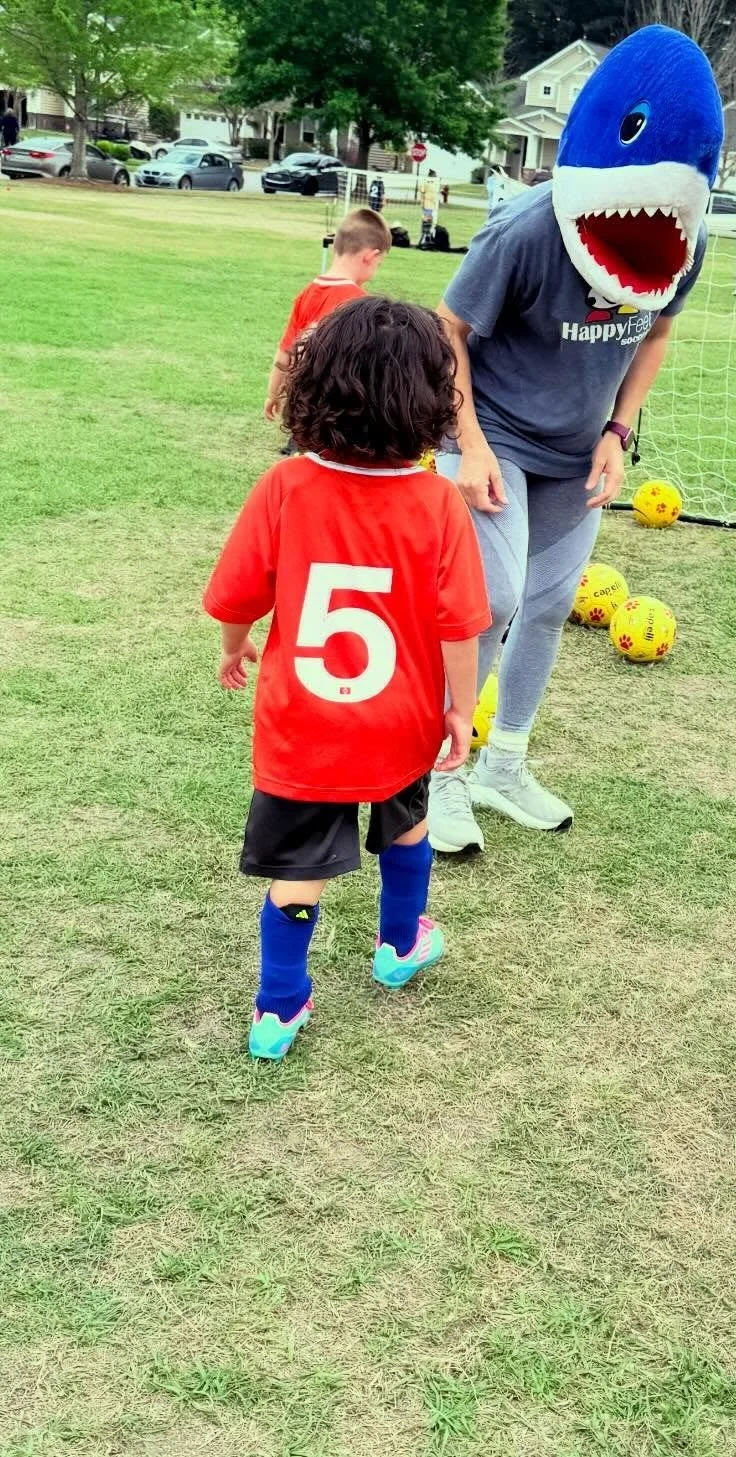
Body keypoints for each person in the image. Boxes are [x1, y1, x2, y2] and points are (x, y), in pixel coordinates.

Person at [426, 24, 723, 856]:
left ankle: (504, 765)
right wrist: (469, 442)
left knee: (552, 602)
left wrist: (619, 430)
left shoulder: (684, 238)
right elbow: (446, 328)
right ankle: (438, 772)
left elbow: (656, 332)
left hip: (577, 448)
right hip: (492, 433)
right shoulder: (524, 229)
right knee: (491, 599)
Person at [204, 298, 491, 1061]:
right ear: (430, 401)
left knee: (299, 871)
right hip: (401, 719)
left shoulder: (285, 486)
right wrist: (460, 708)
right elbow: (461, 624)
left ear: (316, 385)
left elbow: (236, 596)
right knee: (408, 821)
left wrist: (236, 647)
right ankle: (398, 944)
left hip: (304, 725)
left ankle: (278, 1007)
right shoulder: (437, 502)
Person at [264, 207, 390, 424]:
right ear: (370, 257)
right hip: (338, 412)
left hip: (303, 407)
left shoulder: (307, 294)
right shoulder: (361, 306)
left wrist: (273, 394)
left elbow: (284, 354)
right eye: (379, 264)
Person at [418, 169, 440, 246]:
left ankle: (428, 237)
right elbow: (422, 192)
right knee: (428, 222)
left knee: (430, 222)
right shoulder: (429, 182)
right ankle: (425, 238)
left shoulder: (433, 182)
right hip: (429, 205)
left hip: (432, 205)